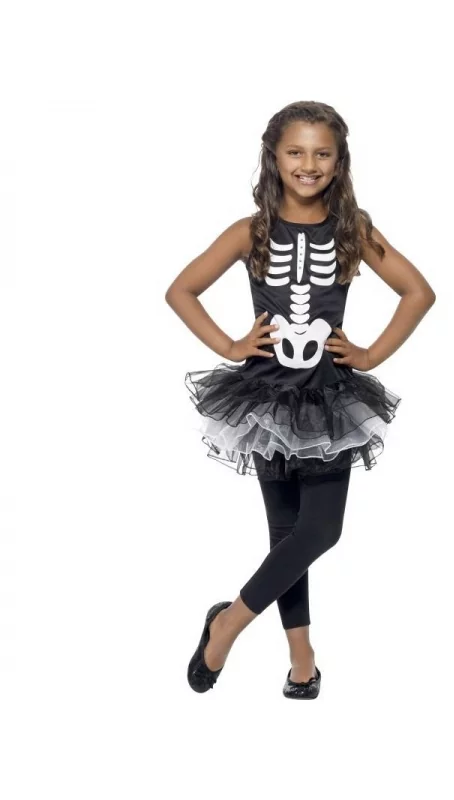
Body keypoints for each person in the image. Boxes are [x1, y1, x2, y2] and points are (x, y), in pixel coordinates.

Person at [165, 100, 436, 699]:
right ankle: (302, 659)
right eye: (295, 151)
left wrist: (369, 355)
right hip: (264, 398)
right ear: (274, 157)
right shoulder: (251, 231)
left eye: (321, 153)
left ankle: (227, 624)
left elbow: (418, 291)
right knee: (287, 532)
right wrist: (231, 345)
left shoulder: (352, 229)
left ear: (339, 162)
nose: (308, 164)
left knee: (318, 531)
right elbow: (181, 290)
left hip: (329, 398)